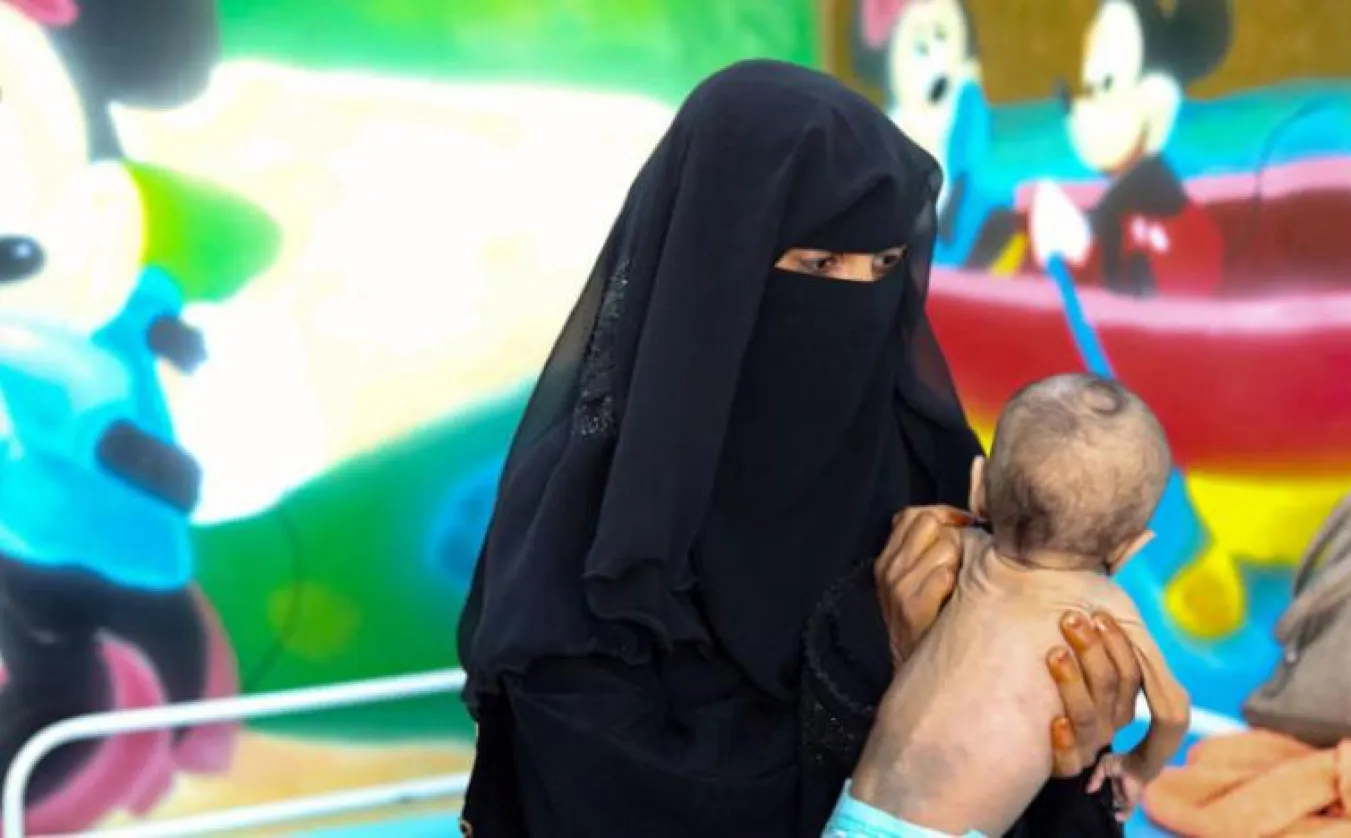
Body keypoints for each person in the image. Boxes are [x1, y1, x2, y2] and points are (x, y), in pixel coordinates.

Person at [456, 59, 1142, 837]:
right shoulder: (592, 532)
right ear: (714, 273)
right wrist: (865, 660)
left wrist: (1068, 742)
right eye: (819, 264)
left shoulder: (929, 466)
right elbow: (606, 801)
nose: (858, 301)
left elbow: (1030, 769)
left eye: (883, 265)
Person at [832, 373, 1192, 837]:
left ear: (978, 486)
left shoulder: (961, 549)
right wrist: (1138, 766)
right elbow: (1173, 711)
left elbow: (905, 526)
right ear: (1129, 549)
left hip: (853, 817)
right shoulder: (1104, 604)